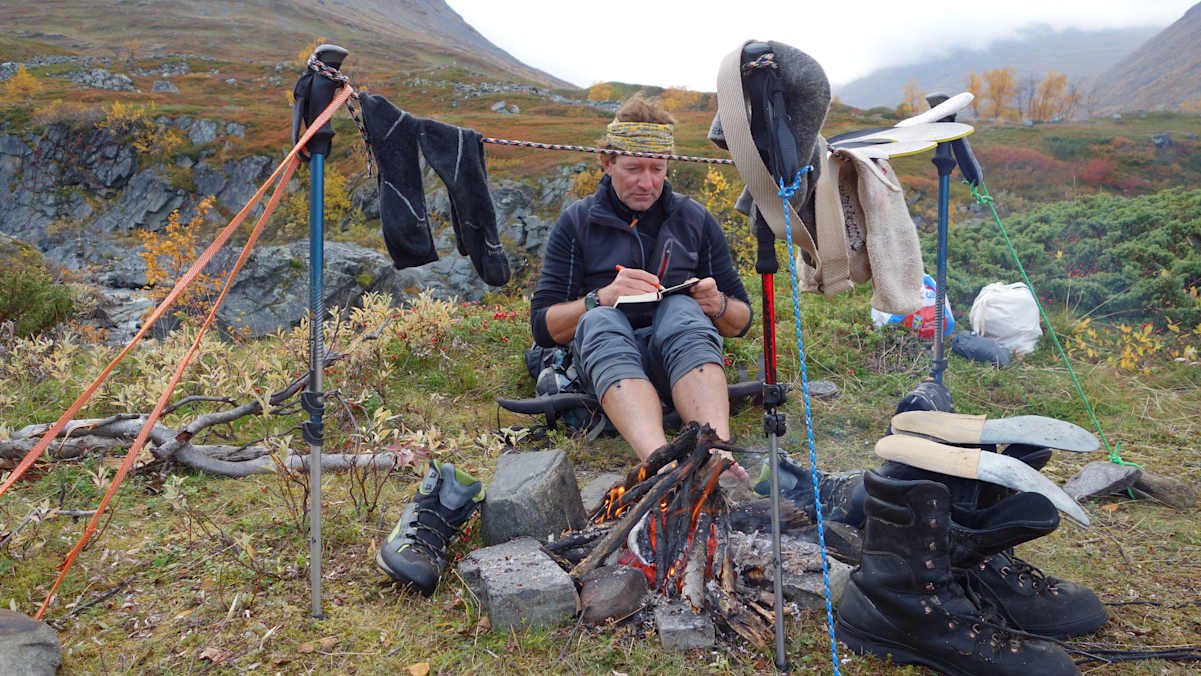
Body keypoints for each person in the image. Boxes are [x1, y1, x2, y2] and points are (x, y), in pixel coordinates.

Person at [529, 97, 753, 481]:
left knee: (682, 310)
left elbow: (741, 320)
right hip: (603, 362)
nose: (646, 182)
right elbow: (543, 327)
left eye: (657, 169)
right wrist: (599, 299)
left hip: (676, 359)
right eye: (633, 168)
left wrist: (715, 305)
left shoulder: (694, 219)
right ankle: (659, 461)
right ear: (607, 161)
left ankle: (715, 454)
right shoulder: (578, 222)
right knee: (602, 320)